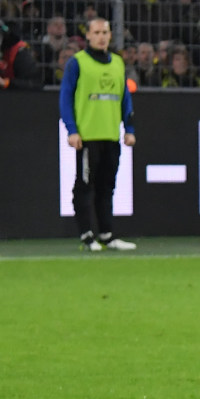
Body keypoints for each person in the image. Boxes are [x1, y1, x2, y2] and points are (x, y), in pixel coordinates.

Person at [57, 17, 136, 252]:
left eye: (105, 32)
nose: (102, 37)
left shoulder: (118, 64)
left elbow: (125, 98)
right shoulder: (77, 63)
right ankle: (86, 234)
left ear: (110, 35)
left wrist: (129, 128)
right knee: (84, 186)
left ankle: (107, 234)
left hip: (111, 135)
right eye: (97, 32)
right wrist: (72, 130)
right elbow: (65, 97)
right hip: (88, 135)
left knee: (106, 187)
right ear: (88, 36)